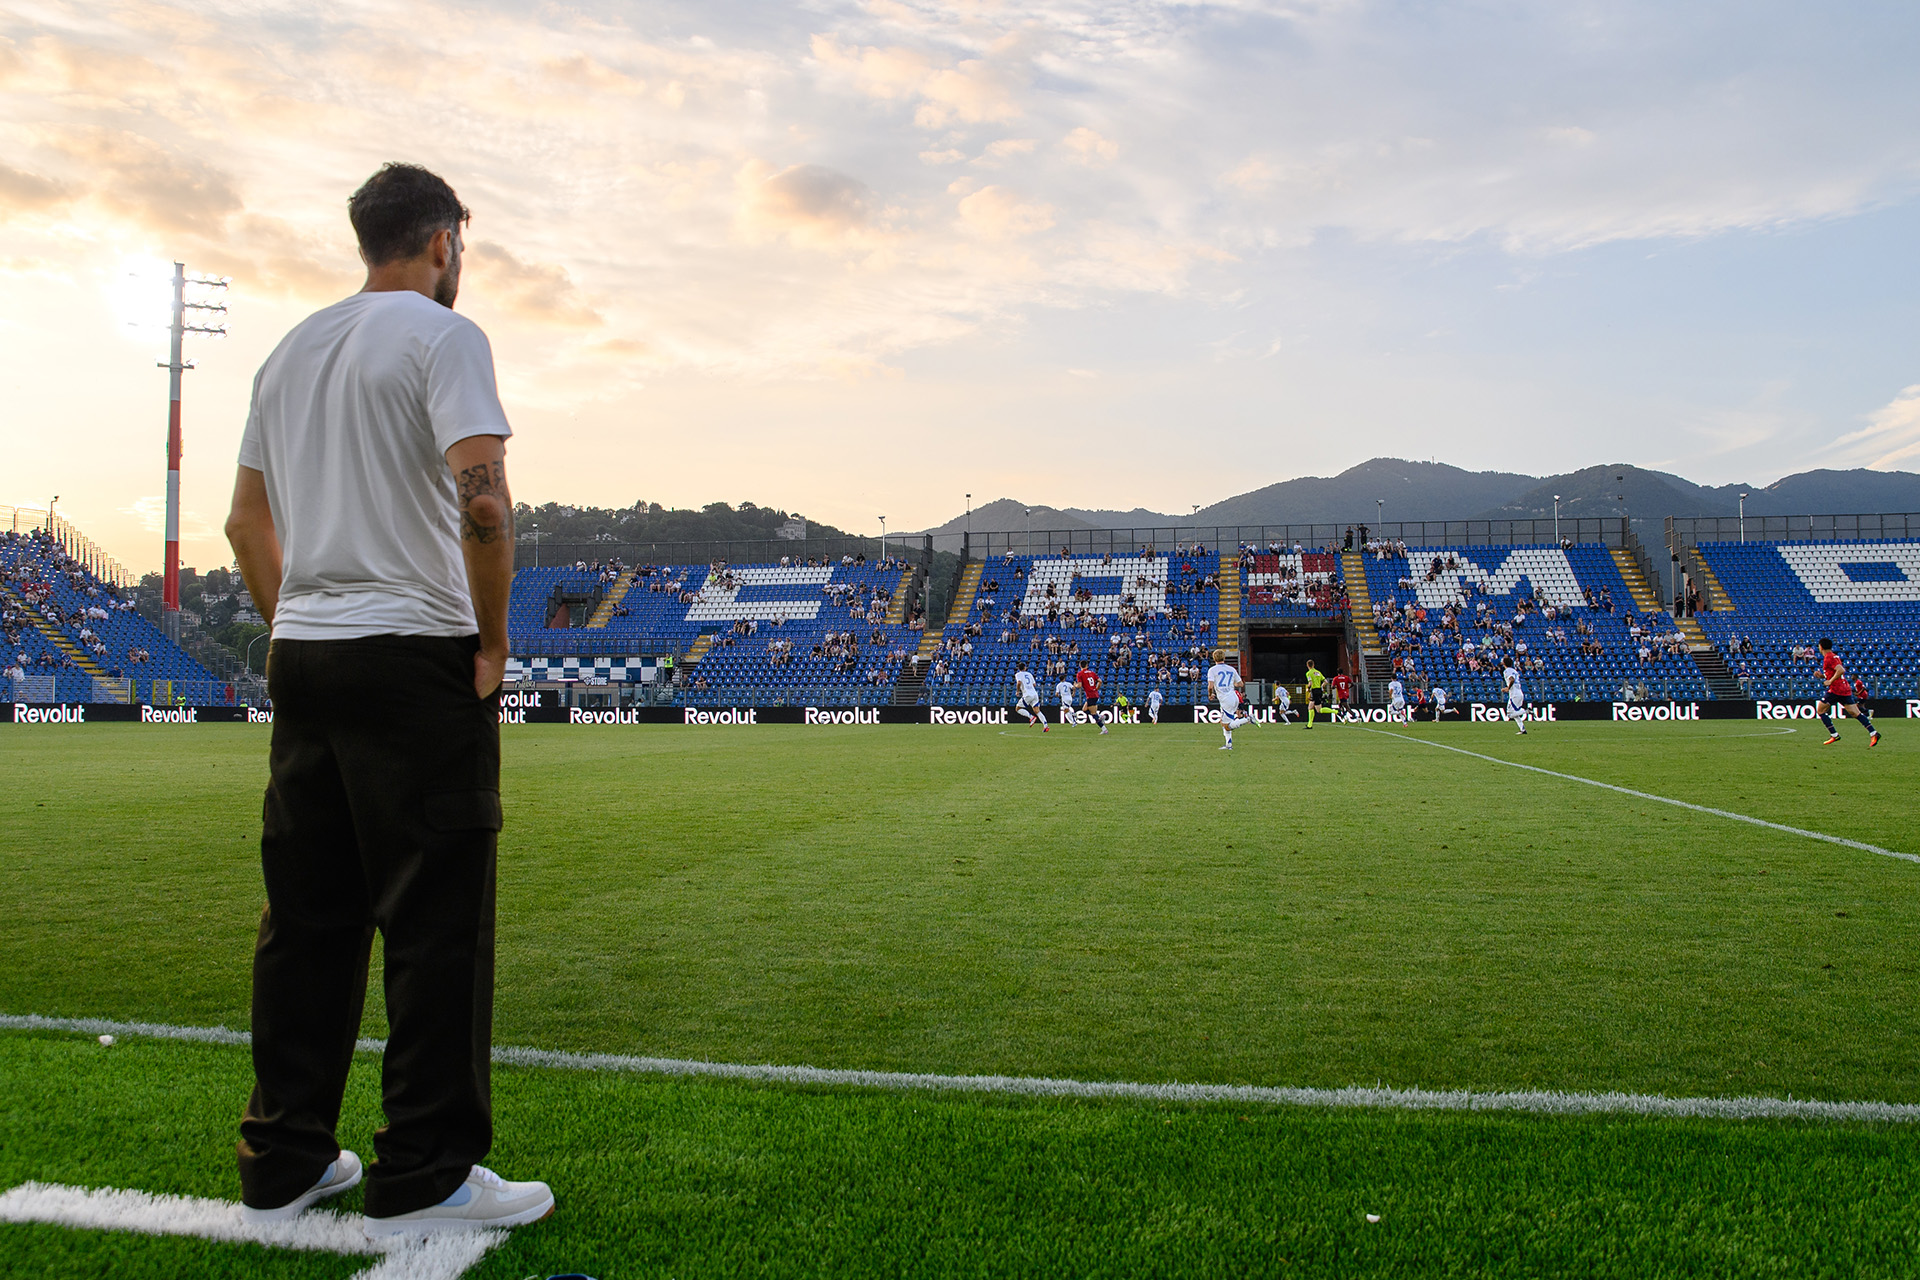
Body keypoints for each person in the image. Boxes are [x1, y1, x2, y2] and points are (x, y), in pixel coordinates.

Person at [223, 163, 552, 1237]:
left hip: (307, 654)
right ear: (444, 240)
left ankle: (282, 1158)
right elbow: (485, 499)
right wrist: (493, 636)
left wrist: (290, 624)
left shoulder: (289, 350)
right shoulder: (442, 336)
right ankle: (425, 1172)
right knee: (434, 918)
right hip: (413, 653)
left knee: (306, 916)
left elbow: (243, 524)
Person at [1815, 638, 1879, 747]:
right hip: (1844, 688)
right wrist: (1822, 676)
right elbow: (1835, 672)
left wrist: (1830, 681)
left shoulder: (1828, 657)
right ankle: (1873, 733)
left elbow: (1841, 670)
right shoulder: (1834, 656)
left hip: (1836, 689)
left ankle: (1834, 735)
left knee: (1820, 710)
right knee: (1855, 713)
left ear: (1821, 646)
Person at [1207, 649, 1254, 749]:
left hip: (1225, 699)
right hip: (1234, 696)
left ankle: (1248, 719)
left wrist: (1210, 695)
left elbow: (1210, 686)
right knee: (1224, 721)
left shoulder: (1212, 670)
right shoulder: (1231, 669)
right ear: (1224, 657)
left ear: (1214, 658)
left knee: (1226, 725)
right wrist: (1231, 683)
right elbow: (1240, 684)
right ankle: (1229, 744)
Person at [1013, 662, 1048, 731]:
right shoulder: (1029, 674)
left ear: (1018, 668)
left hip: (1027, 694)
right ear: (1025, 668)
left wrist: (1017, 691)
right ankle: (1045, 725)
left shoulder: (1018, 674)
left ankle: (1031, 717)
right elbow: (1034, 684)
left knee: (1018, 708)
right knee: (1037, 711)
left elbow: (1019, 682)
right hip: (1034, 694)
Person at [1075, 662, 1108, 736]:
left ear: (1080, 666)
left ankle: (1104, 729)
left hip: (1091, 695)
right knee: (1084, 709)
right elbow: (1100, 681)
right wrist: (1096, 688)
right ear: (1087, 666)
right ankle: (1100, 716)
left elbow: (1079, 685)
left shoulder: (1080, 674)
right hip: (1094, 694)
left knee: (1093, 714)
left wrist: (1075, 685)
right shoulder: (1092, 673)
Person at [1503, 656, 1527, 735]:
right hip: (1519, 692)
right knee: (1515, 713)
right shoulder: (1514, 670)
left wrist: (1508, 688)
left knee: (1510, 714)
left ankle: (1526, 711)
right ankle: (1522, 729)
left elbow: (1512, 679)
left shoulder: (1507, 671)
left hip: (1514, 695)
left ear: (1504, 663)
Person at [1303, 659, 1327, 728]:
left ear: (1307, 665)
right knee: (1310, 707)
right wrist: (1322, 686)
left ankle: (1336, 712)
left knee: (1319, 710)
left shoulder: (1308, 673)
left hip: (1314, 691)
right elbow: (1325, 681)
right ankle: (1309, 725)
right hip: (1319, 690)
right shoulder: (1318, 672)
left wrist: (1308, 688)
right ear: (1313, 665)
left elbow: (1310, 683)